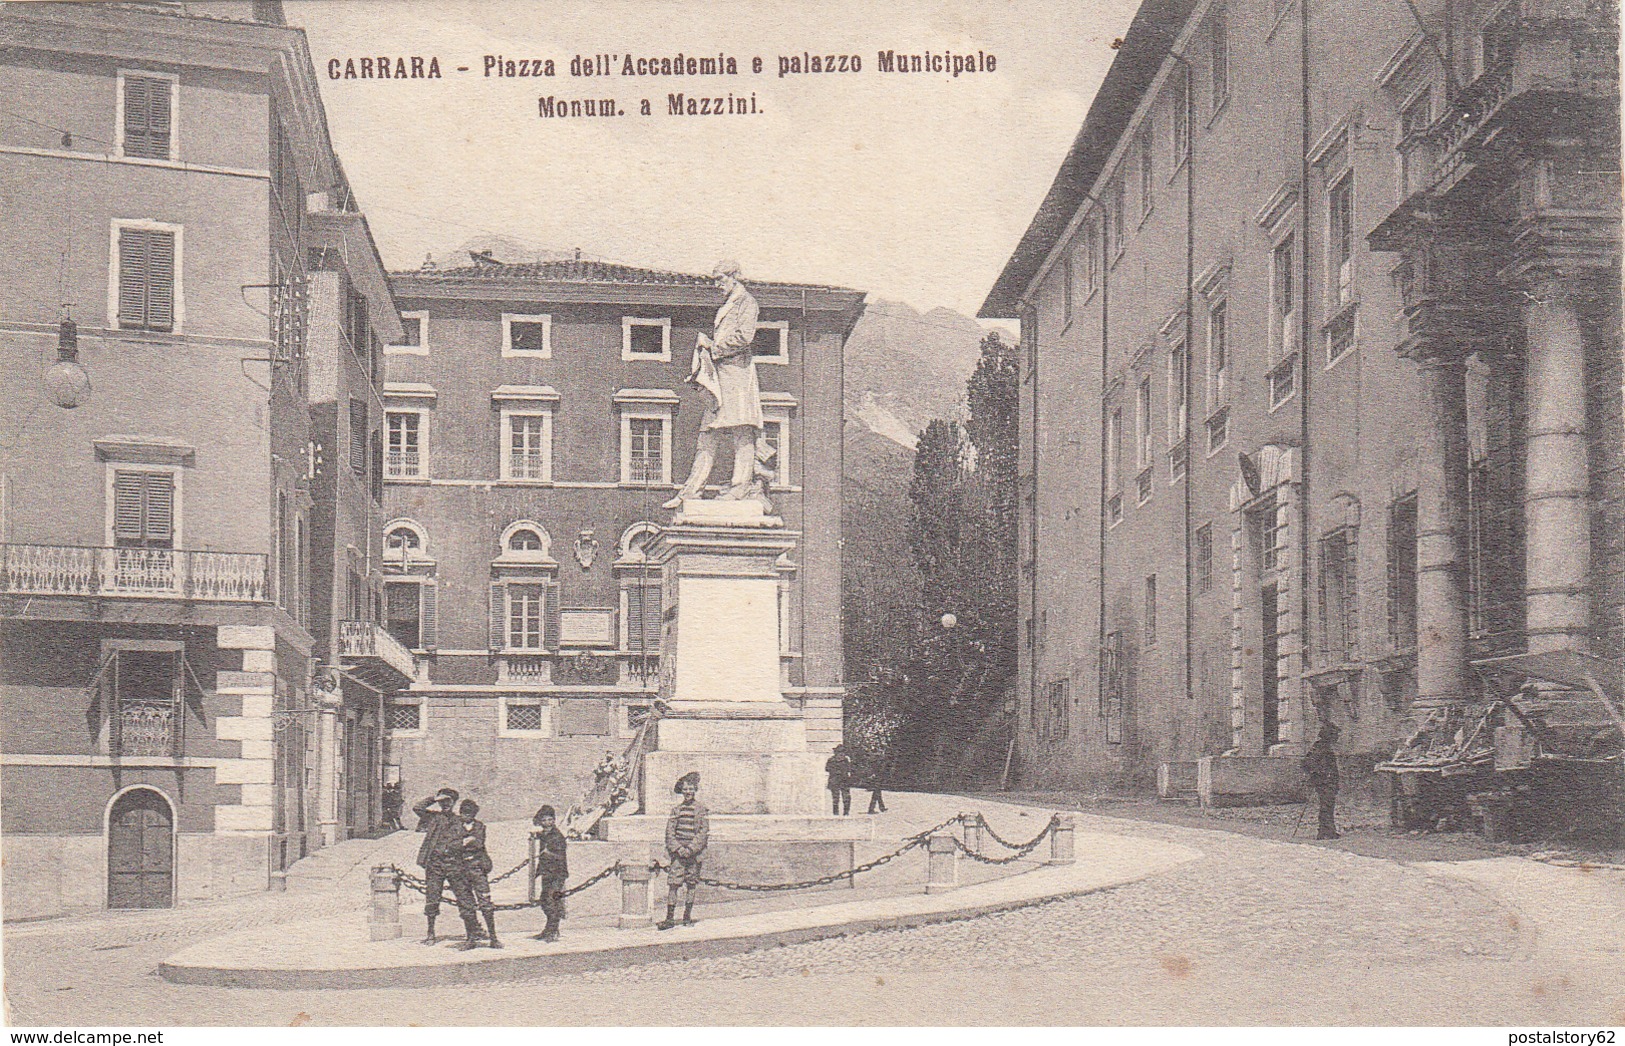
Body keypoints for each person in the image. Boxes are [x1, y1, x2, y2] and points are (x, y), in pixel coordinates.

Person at [663, 261, 762, 508]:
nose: (717, 285)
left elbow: (744, 337)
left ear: (734, 277)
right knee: (708, 432)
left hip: (738, 377)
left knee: (742, 430)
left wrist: (712, 347)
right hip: (722, 378)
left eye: (720, 279)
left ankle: (740, 489)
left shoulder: (747, 302)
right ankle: (691, 491)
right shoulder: (729, 303)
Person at [412, 787, 467, 944]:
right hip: (435, 863)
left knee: (463, 896)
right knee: (432, 898)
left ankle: (472, 930)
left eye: (448, 801)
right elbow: (417, 808)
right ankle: (431, 933)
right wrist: (434, 798)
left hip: (453, 864)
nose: (445, 804)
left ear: (454, 802)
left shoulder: (459, 820)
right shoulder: (433, 817)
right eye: (442, 802)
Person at [657, 772, 709, 930]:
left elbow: (703, 832)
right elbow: (669, 832)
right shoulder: (676, 810)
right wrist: (678, 849)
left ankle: (687, 916)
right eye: (685, 789)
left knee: (691, 884)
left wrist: (691, 849)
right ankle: (670, 918)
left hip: (694, 854)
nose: (688, 792)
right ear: (681, 791)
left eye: (691, 788)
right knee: (673, 884)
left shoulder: (701, 810)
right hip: (678, 854)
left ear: (695, 790)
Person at [453, 798, 500, 950]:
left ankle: (493, 938)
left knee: (485, 903)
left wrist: (463, 842)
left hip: (477, 868)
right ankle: (471, 938)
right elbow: (451, 845)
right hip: (460, 869)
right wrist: (467, 841)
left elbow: (479, 843)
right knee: (466, 905)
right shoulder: (454, 826)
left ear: (473, 814)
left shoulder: (480, 826)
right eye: (462, 813)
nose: (465, 816)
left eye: (468, 813)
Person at [530, 804, 569, 942]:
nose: (547, 823)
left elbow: (561, 856)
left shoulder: (557, 836)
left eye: (549, 820)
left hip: (557, 874)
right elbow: (539, 832)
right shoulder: (545, 834)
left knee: (551, 901)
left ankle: (552, 932)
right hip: (547, 873)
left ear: (554, 820)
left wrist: (549, 853)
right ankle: (550, 930)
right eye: (544, 820)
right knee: (545, 901)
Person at [1301, 723, 1341, 840]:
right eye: (1335, 735)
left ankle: (1328, 830)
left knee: (1328, 806)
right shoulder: (1321, 748)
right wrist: (1322, 774)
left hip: (1328, 782)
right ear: (1329, 736)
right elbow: (1307, 763)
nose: (1337, 737)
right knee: (1326, 806)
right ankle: (1324, 832)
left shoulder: (1324, 747)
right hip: (1325, 782)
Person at [825, 744, 854, 816]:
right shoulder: (832, 760)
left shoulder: (845, 760)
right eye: (840, 752)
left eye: (842, 752)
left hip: (841, 780)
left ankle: (843, 813)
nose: (841, 754)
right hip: (838, 780)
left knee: (844, 797)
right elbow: (827, 769)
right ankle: (839, 813)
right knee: (837, 798)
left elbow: (850, 769)